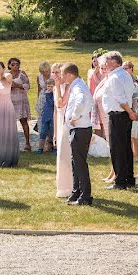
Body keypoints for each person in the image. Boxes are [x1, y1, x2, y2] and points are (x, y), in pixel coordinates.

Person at [100, 51, 138, 190]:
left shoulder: (115, 77)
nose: (104, 63)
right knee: (125, 148)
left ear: (114, 62)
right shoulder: (125, 75)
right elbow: (132, 94)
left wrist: (130, 112)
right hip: (124, 114)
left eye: (107, 61)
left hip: (118, 114)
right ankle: (129, 178)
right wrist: (131, 112)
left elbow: (120, 98)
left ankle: (120, 180)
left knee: (117, 148)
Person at [60, 63, 94, 206]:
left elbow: (82, 101)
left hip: (81, 129)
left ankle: (85, 196)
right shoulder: (77, 84)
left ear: (69, 74)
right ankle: (77, 191)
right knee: (75, 162)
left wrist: (75, 116)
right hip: (79, 129)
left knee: (80, 163)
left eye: (62, 74)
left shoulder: (78, 87)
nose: (61, 77)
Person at [50, 63, 72, 198]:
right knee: (60, 156)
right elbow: (55, 110)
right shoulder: (54, 88)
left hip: (68, 122)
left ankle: (70, 186)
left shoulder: (68, 87)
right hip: (60, 121)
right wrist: (55, 132)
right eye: (53, 73)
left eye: (58, 72)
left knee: (67, 155)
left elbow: (61, 103)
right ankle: (63, 187)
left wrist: (58, 86)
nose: (55, 76)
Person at [123, 61, 138, 160]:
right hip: (127, 107)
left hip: (134, 108)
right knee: (129, 134)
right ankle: (130, 154)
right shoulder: (124, 79)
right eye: (123, 68)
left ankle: (135, 154)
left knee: (135, 134)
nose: (124, 70)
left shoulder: (134, 80)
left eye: (126, 68)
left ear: (131, 69)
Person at [7, 57, 32, 152]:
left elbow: (28, 85)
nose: (15, 66)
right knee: (10, 123)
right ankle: (11, 144)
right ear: (9, 65)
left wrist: (17, 85)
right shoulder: (7, 75)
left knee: (24, 121)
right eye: (13, 64)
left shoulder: (22, 74)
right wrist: (9, 87)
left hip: (21, 100)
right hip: (10, 101)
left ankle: (27, 143)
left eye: (17, 64)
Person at [35, 61, 55, 154]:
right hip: (42, 98)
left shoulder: (53, 76)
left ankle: (50, 144)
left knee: (51, 122)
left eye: (46, 71)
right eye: (43, 72)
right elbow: (39, 89)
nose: (45, 74)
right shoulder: (39, 76)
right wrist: (38, 99)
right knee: (41, 121)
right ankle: (42, 144)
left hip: (51, 98)